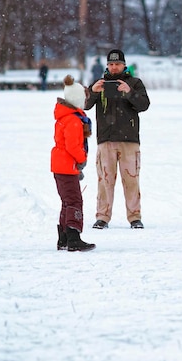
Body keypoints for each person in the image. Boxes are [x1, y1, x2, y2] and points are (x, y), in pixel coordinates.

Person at [85, 49, 150, 230]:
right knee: (105, 180)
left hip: (129, 139)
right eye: (111, 64)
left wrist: (129, 92)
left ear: (124, 65)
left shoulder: (135, 83)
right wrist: (93, 91)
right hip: (105, 139)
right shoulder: (99, 83)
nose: (114, 68)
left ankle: (135, 217)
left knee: (131, 179)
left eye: (117, 64)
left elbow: (144, 105)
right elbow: (84, 105)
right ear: (107, 65)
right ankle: (102, 217)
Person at [51, 75, 96, 251]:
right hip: (67, 166)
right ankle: (73, 237)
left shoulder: (65, 117)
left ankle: (63, 238)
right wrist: (82, 160)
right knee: (75, 201)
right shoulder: (73, 120)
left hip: (60, 165)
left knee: (67, 202)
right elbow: (73, 146)